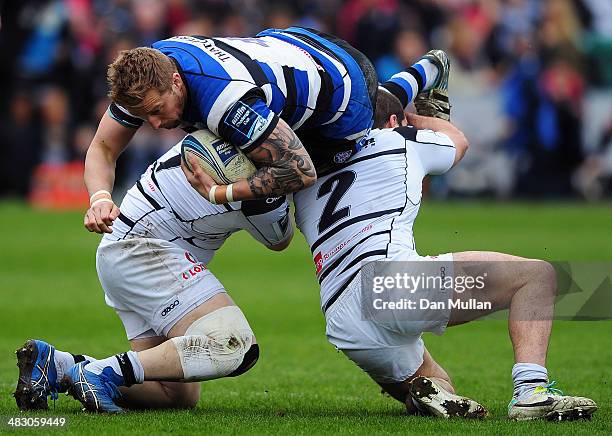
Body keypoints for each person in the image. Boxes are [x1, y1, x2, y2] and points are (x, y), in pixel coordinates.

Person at [292, 88, 598, 421]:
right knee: (537, 276)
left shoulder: (310, 177)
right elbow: (458, 141)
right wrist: (421, 120)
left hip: (341, 318)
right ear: (393, 121)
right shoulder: (398, 139)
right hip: (388, 287)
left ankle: (426, 394)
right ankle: (531, 391)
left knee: (438, 384)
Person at [14, 136, 293, 413]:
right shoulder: (262, 189)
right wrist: (276, 187)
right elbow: (280, 240)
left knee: (173, 395)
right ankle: (99, 372)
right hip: (144, 250)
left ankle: (59, 364)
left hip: (122, 248)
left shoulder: (213, 127)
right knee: (233, 344)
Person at [83, 26, 451, 234]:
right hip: (292, 48)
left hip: (340, 94)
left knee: (378, 137)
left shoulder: (225, 102)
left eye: (158, 112)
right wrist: (100, 197)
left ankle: (436, 135)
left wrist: (220, 192)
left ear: (177, 82)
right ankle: (428, 70)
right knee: (257, 160)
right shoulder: (145, 75)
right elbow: (102, 147)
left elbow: (300, 169)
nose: (157, 124)